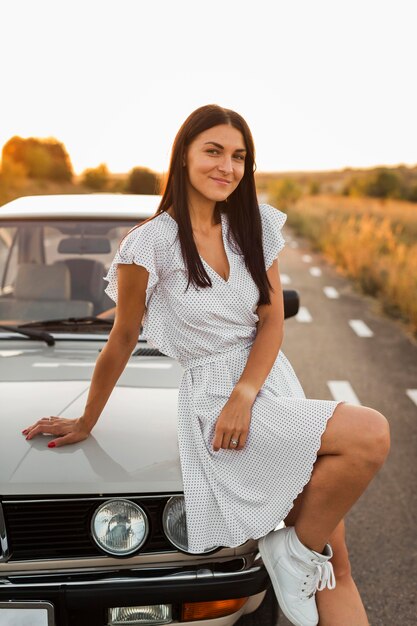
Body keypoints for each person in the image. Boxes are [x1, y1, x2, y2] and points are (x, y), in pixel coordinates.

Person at [22, 104, 390, 626]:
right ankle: (291, 553)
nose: (227, 167)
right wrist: (86, 419)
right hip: (215, 402)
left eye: (239, 156)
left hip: (269, 386)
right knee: (370, 433)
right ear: (184, 156)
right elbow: (122, 337)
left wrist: (249, 394)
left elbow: (271, 321)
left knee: (335, 566)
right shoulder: (149, 243)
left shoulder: (256, 225)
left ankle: (296, 554)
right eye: (213, 151)